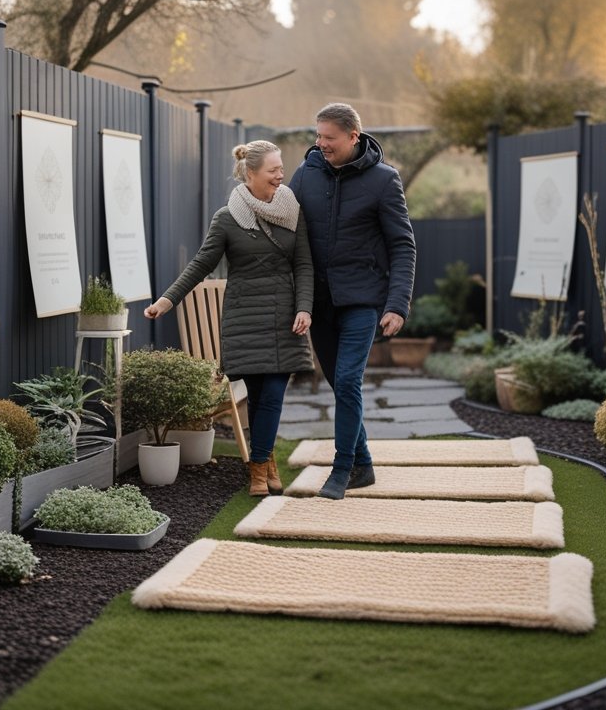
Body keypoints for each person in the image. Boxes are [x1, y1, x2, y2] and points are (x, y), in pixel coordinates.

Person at [144, 140, 313, 497]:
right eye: (273, 170)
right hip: (244, 317)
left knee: (273, 395)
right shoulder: (227, 218)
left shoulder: (293, 211)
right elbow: (201, 264)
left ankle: (257, 464)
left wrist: (304, 307)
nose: (281, 176)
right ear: (250, 173)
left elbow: (304, 265)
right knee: (258, 393)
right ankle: (264, 463)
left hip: (284, 316)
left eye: (281, 168)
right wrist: (167, 300)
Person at [289, 103, 416, 499]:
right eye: (318, 136)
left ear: (352, 136)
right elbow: (283, 227)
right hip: (319, 303)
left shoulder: (383, 180)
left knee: (347, 380)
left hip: (363, 299)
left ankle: (341, 469)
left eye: (329, 137)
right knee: (339, 385)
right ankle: (365, 464)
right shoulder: (305, 175)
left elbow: (402, 245)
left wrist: (397, 304)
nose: (320, 143)